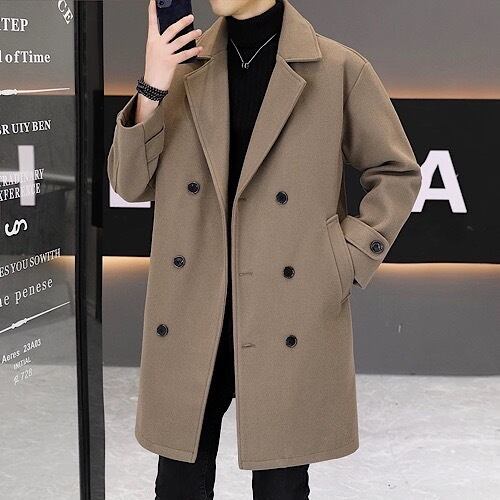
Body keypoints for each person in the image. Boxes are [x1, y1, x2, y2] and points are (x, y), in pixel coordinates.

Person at [107, 0, 422, 498]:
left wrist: (343, 258)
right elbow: (129, 184)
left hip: (287, 304)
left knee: (281, 486)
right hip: (196, 305)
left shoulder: (338, 68)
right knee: (178, 483)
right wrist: (152, 84)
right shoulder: (183, 66)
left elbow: (397, 173)